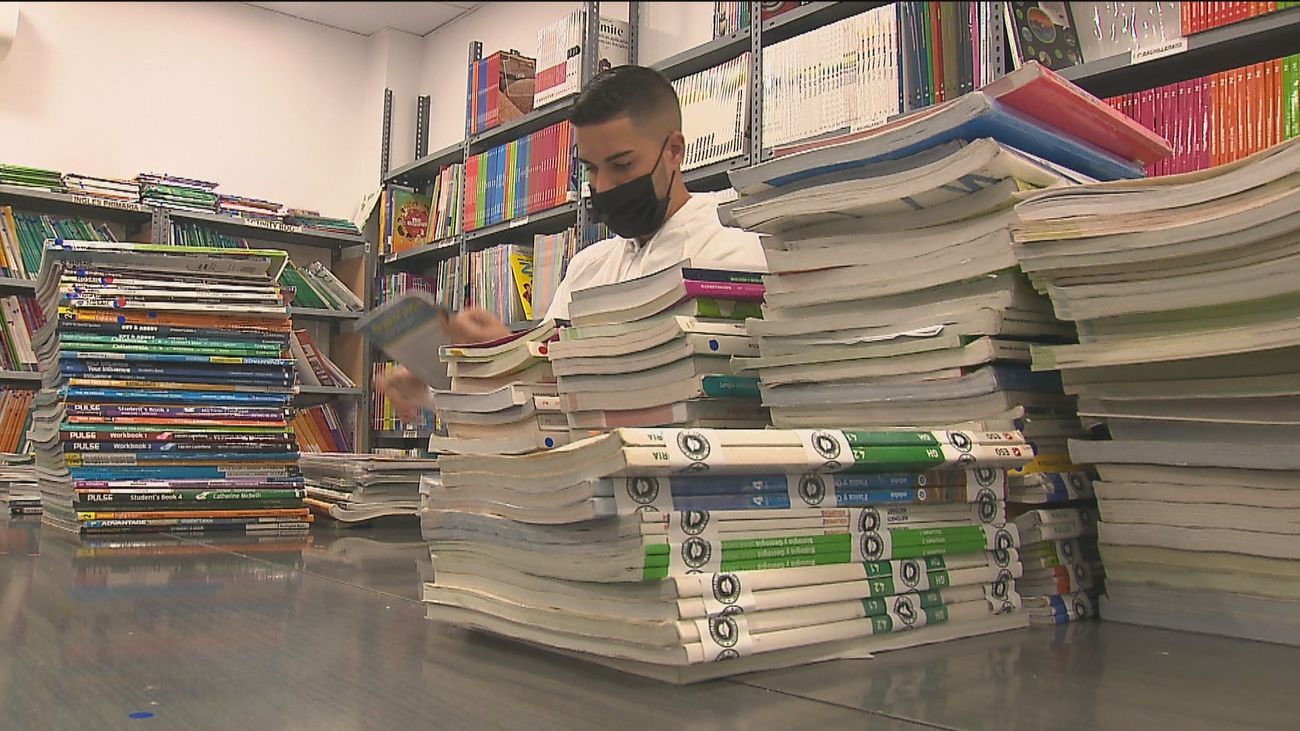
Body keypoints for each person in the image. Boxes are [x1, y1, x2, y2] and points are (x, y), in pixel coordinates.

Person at [377, 64, 765, 419]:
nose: (604, 186)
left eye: (622, 165)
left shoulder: (736, 253)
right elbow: (543, 394)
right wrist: (476, 365)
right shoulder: (587, 269)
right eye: (591, 169)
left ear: (674, 151)